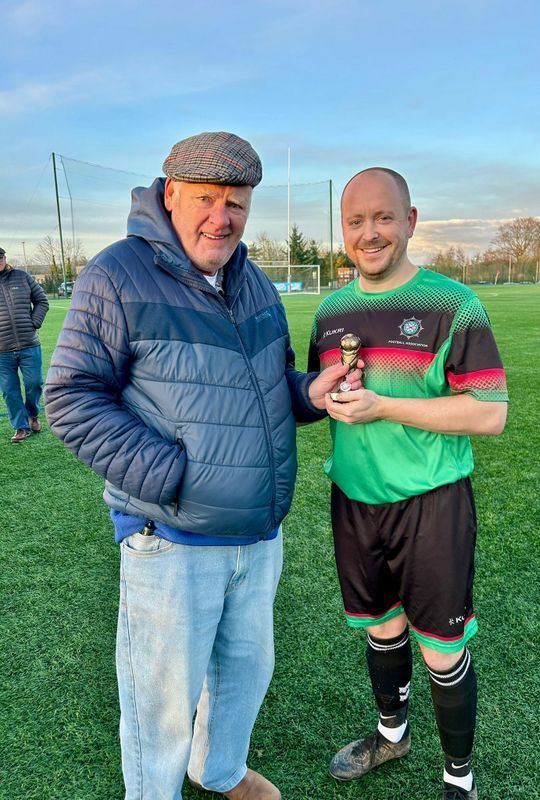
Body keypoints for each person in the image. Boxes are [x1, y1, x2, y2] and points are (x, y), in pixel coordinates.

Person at [44, 132, 360, 800]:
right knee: (159, 708)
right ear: (170, 194)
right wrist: (175, 479)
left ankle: (218, 772)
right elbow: (70, 398)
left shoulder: (252, 281)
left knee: (244, 678)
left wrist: (310, 393)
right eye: (207, 199)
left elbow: (269, 382)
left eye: (237, 203)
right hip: (173, 539)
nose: (222, 216)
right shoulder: (117, 274)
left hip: (256, 537)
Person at [307, 168, 508, 800]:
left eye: (384, 218)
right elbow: (326, 395)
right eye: (356, 221)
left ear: (411, 221)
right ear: (344, 231)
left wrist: (385, 407)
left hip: (431, 505)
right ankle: (391, 735)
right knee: (380, 628)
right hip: (355, 501)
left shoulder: (452, 304)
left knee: (441, 648)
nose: (370, 233)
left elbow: (489, 411)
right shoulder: (331, 310)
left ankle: (459, 780)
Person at [0, 246, 49, 443]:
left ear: (5, 257)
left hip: (29, 345)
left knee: (34, 384)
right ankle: (21, 427)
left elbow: (42, 301)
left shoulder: (21, 276)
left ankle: (32, 415)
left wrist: (34, 322)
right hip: (2, 352)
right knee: (9, 390)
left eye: (1, 256)